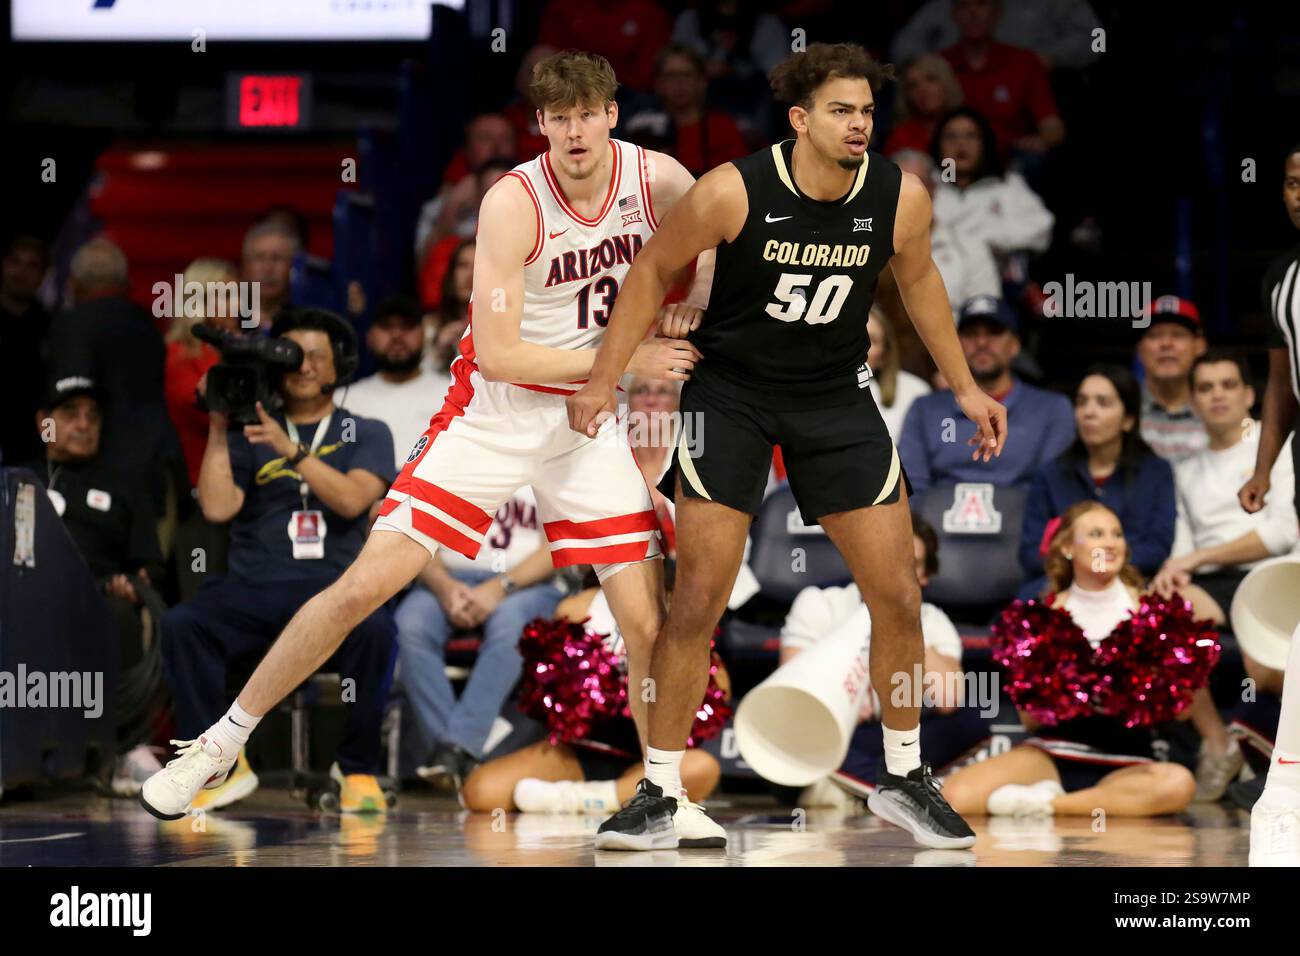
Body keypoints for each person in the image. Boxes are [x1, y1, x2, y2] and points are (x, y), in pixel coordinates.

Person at [140, 51, 714, 845]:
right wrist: (630, 358)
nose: (575, 130)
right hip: (495, 414)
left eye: (588, 113)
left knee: (643, 618)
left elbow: (720, 220)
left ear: (613, 114)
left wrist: (701, 294)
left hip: (584, 424)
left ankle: (661, 794)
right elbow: (505, 354)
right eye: (558, 117)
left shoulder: (657, 176)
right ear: (540, 125)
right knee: (361, 590)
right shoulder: (514, 202)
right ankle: (218, 743)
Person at [569, 42, 1008, 851]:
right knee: (697, 597)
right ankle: (660, 791)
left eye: (868, 112)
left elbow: (919, 283)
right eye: (842, 111)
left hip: (835, 396)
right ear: (801, 119)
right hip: (731, 396)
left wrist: (963, 385)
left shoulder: (900, 196)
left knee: (899, 594)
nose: (859, 125)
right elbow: (648, 271)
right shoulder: (732, 190)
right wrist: (607, 377)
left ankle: (904, 777)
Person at [152, 308, 397, 816]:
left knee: (377, 630)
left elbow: (354, 501)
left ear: (340, 367)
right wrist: (221, 426)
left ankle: (355, 769)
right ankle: (218, 766)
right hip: (255, 589)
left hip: (334, 590)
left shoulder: (366, 431)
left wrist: (291, 451)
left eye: (316, 357)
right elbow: (218, 507)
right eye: (292, 355)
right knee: (184, 623)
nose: (303, 366)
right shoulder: (248, 431)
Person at [941, 502, 1204, 819]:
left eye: (1116, 534)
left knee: (1178, 785)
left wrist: (1136, 689)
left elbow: (1184, 708)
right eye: (1096, 534)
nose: (1109, 542)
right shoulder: (1041, 618)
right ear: (1067, 547)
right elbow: (1029, 719)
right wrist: (1070, 688)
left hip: (1129, 759)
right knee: (955, 797)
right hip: (1054, 753)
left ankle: (1046, 806)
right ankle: (1090, 805)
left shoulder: (1153, 612)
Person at [463, 578, 724, 815]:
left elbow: (717, 694)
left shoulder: (684, 611)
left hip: (650, 761)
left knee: (702, 768)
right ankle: (619, 799)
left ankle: (586, 800)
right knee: (481, 791)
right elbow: (549, 686)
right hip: (580, 750)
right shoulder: (577, 607)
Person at [23, 375, 168, 796]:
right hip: (20, 597)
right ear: (43, 422)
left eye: (93, 415)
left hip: (95, 599)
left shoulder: (124, 486)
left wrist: (131, 584)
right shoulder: (19, 479)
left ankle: (126, 750)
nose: (84, 424)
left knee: (122, 612)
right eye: (70, 413)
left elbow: (149, 570)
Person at [395, 484, 561, 795]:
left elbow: (557, 545)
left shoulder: (546, 460)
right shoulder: (450, 451)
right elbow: (416, 533)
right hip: (445, 579)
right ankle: (459, 757)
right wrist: (444, 587)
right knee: (409, 625)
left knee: (511, 626)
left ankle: (453, 751)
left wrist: (500, 587)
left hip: (524, 583)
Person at [1240, 143, 1300, 866]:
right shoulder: (1281, 277)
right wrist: (1263, 466)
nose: (1297, 194)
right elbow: (1280, 380)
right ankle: (1286, 794)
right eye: (1290, 183)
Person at [1155, 352, 1298, 628]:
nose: (1217, 394)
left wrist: (1197, 559)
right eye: (1206, 388)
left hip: (1271, 574)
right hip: (1208, 582)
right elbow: (1183, 543)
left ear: (1248, 396)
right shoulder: (1186, 469)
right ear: (1193, 402)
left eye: (1228, 385)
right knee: (1153, 606)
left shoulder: (1279, 448)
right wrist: (1175, 571)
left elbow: (1283, 533)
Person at [43, 237, 183, 518]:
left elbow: (72, 394)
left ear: (74, 282)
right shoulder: (148, 325)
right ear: (125, 282)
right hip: (157, 463)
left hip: (99, 478)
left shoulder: (70, 325)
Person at [1019, 364, 1175, 597]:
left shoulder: (1156, 472)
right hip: (1063, 583)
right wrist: (1080, 568)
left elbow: (1157, 547)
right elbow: (1030, 552)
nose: (1088, 412)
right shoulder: (1050, 474)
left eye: (1103, 403)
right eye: (1082, 402)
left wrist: (1101, 565)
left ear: (1128, 420)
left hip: (1131, 581)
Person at [899, 295, 1073, 493]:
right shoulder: (924, 409)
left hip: (1023, 521)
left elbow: (1051, 492)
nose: (981, 342)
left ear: (1015, 345)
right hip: (934, 522)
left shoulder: (1052, 409)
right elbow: (912, 489)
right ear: (957, 346)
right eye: (971, 334)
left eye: (994, 332)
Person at [939, 0, 1066, 159]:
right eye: (963, 6)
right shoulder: (939, 65)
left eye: (982, 4)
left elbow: (1053, 126)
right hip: (952, 160)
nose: (973, 13)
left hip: (1010, 161)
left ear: (997, 12)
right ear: (953, 15)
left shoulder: (1024, 62)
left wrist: (1040, 141)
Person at [928, 107, 1055, 265]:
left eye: (971, 136)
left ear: (984, 144)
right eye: (951, 137)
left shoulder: (1007, 185)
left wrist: (988, 238)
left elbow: (1041, 227)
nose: (961, 144)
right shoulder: (927, 186)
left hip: (996, 276)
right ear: (938, 145)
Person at [344, 294, 449, 474]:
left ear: (424, 333)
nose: (397, 335)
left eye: (407, 326)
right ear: (369, 336)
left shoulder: (452, 394)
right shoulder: (345, 400)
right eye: (386, 326)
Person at [891, 149, 1001, 310]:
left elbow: (984, 313)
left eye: (917, 183)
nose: (907, 194)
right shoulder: (864, 246)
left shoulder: (971, 248)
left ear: (933, 189)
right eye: (897, 184)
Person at [163, 258, 240, 489]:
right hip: (198, 483)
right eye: (226, 297)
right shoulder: (178, 356)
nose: (237, 306)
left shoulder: (239, 348)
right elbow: (203, 413)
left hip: (239, 479)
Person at [623, 44, 748, 179]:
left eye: (687, 75)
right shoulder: (642, 129)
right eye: (671, 76)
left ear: (702, 82)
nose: (679, 83)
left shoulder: (722, 127)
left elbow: (737, 181)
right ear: (658, 83)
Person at [1136, 295, 1210, 463]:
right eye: (1154, 335)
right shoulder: (1122, 410)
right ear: (1140, 349)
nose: (1166, 344)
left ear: (1200, 346)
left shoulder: (1221, 404)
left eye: (1178, 335)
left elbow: (1248, 449)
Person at [0, 234, 52, 465]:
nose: (20, 272)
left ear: (42, 276)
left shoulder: (50, 328)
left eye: (31, 266)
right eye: (15, 262)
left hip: (29, 449)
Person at [866, 309, 931, 442]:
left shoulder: (914, 391)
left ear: (884, 355)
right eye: (856, 336)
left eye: (872, 340)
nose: (861, 346)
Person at [883, 54, 964, 157]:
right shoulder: (901, 138)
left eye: (931, 80)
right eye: (913, 85)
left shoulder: (970, 126)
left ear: (946, 82)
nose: (923, 90)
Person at [240, 219, 299, 330]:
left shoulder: (303, 322)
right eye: (259, 258)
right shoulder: (229, 319)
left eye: (277, 258)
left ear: (292, 266)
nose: (267, 268)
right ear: (245, 265)